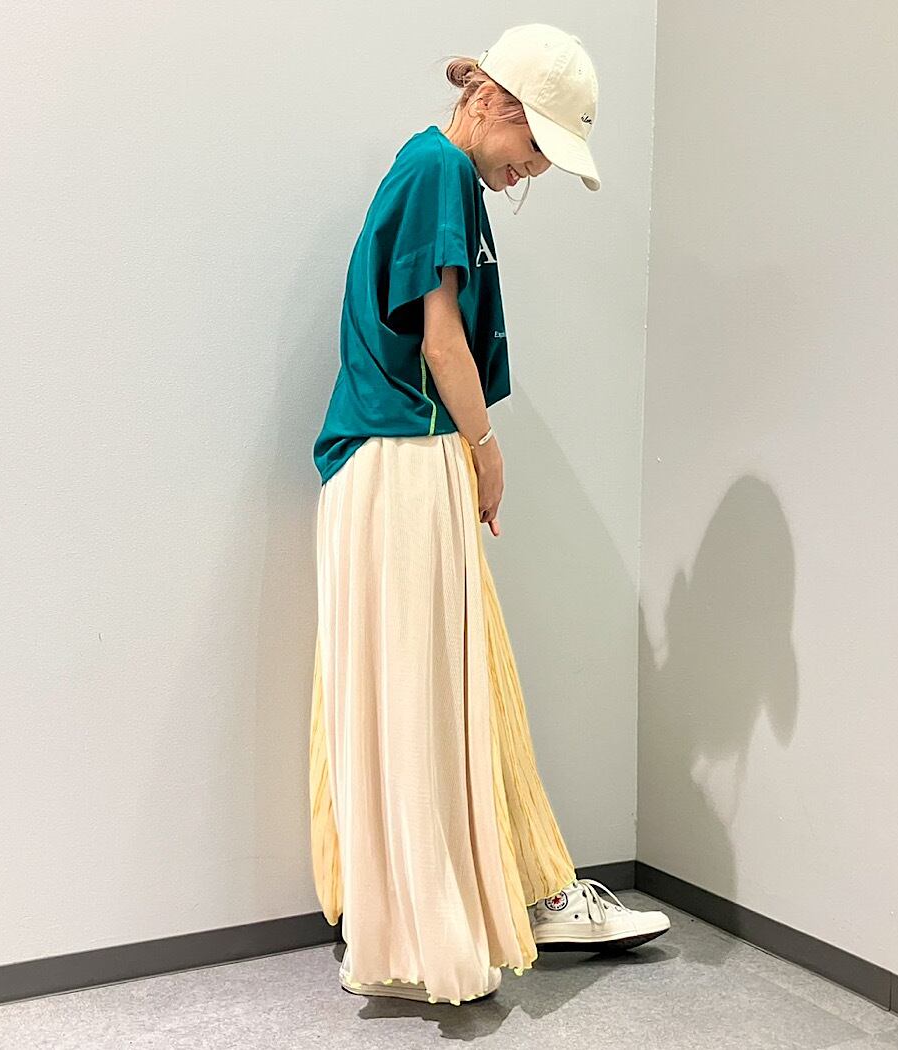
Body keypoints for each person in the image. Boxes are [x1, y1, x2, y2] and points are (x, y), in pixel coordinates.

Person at [308, 23, 670, 1007]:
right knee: (427, 699)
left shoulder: (437, 171)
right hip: (404, 452)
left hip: (389, 458)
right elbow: (441, 342)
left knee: (423, 695)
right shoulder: (440, 170)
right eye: (537, 147)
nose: (534, 172)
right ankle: (435, 932)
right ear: (494, 104)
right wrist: (488, 450)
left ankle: (461, 908)